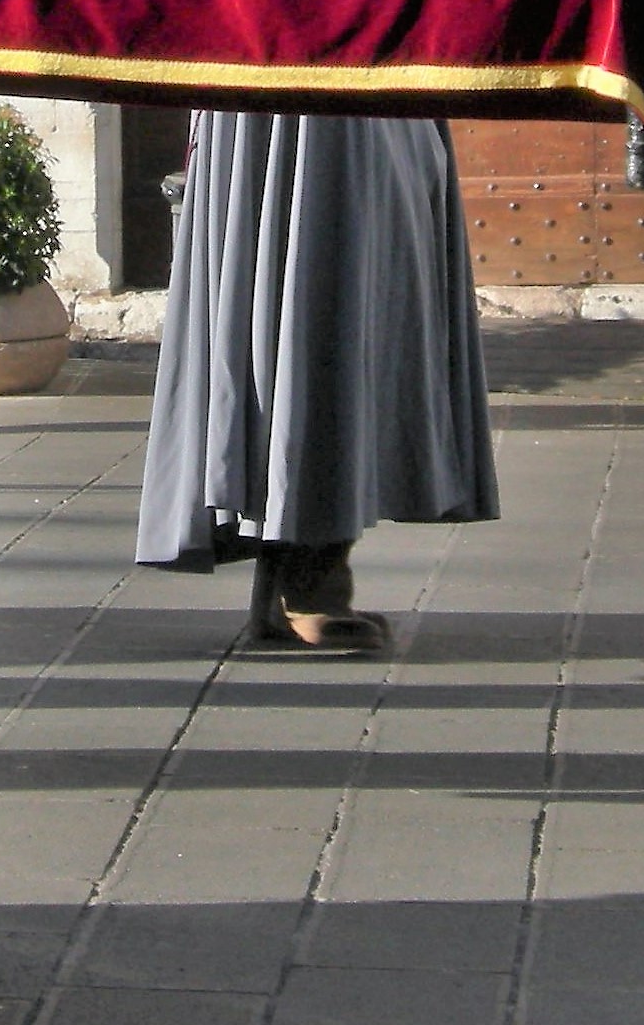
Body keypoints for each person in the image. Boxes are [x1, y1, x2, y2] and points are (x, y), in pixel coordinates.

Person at [136, 113, 497, 653]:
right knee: (309, 296)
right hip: (293, 88)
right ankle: (308, 582)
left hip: (377, 84)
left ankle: (300, 577)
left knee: (359, 309)